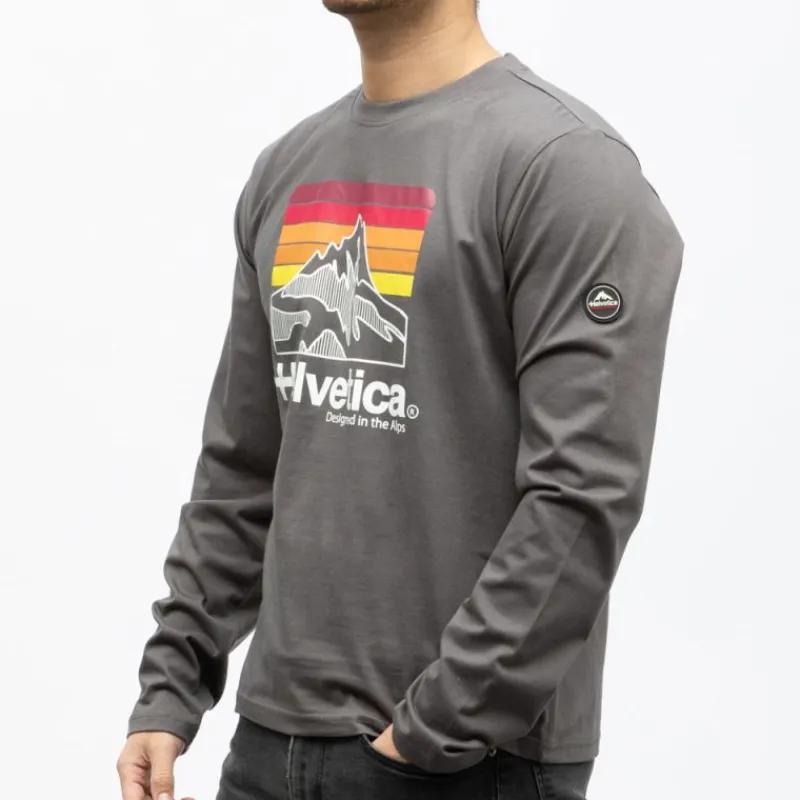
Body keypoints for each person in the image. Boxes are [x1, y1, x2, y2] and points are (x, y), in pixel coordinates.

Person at [116, 0, 684, 798]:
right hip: (267, 747)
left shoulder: (567, 167)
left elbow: (582, 495)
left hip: (463, 763)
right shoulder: (288, 168)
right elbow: (243, 467)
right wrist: (171, 687)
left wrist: (434, 729)